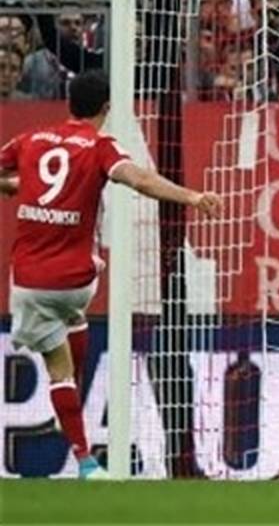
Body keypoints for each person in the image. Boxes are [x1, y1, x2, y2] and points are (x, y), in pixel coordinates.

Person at [0, 71, 221, 480]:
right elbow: (140, 179)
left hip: (31, 282)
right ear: (107, 107)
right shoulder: (100, 146)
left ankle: (83, 456)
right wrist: (192, 196)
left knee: (58, 371)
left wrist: (14, 185)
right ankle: (80, 433)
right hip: (79, 281)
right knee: (74, 320)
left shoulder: (30, 140)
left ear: (69, 102)